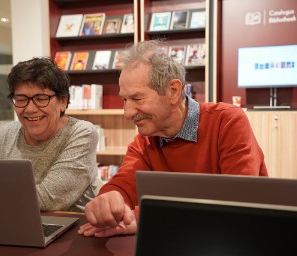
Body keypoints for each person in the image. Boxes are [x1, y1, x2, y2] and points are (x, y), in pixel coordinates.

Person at [78, 39, 268, 237]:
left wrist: (142, 218)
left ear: (173, 91)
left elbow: (237, 200)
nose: (127, 112)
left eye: (137, 98)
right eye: (125, 100)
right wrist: (108, 202)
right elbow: (123, 185)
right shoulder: (144, 141)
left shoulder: (227, 121)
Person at [0, 57, 100, 213]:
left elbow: (49, 200)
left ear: (62, 102)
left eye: (41, 99)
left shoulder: (81, 133)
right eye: (21, 99)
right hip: (8, 221)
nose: (30, 109)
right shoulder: (6, 133)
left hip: (69, 227)